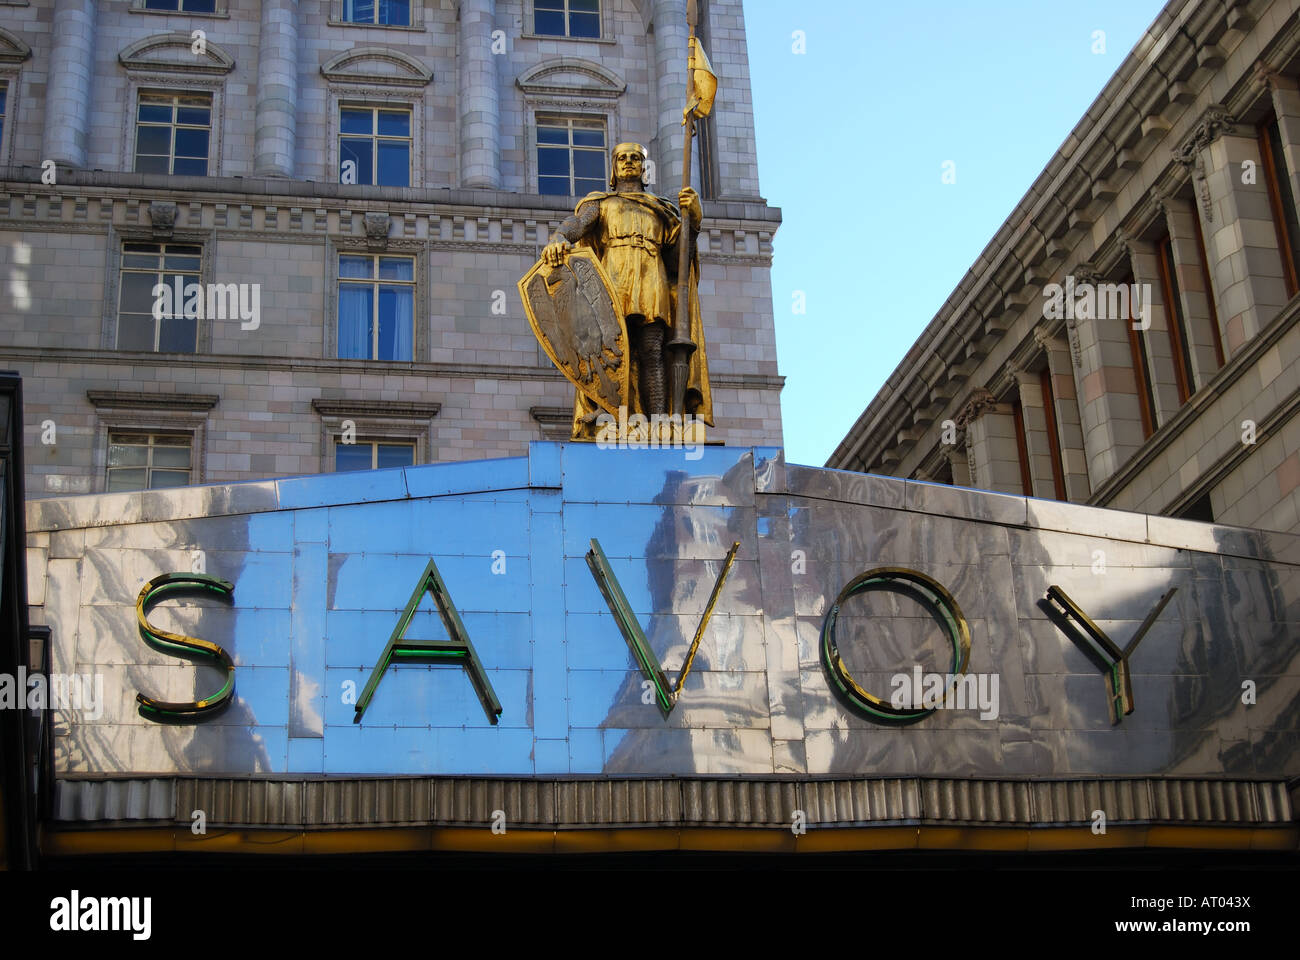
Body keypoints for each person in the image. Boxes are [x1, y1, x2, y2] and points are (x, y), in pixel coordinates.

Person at [541, 142, 712, 439]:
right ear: (613, 166)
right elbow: (578, 223)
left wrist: (692, 222)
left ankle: (659, 421)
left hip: (650, 280)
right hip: (611, 280)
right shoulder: (601, 202)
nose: (629, 162)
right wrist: (559, 237)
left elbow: (677, 262)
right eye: (623, 158)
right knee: (611, 348)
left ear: (645, 168)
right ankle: (610, 412)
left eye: (636, 158)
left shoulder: (662, 210)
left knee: (652, 349)